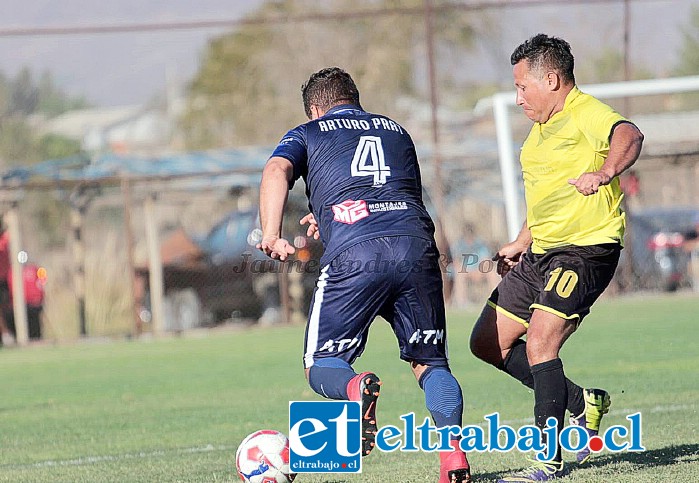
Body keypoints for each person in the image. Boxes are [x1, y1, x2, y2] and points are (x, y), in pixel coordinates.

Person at [258, 67, 471, 483]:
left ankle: (355, 391)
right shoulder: (396, 130)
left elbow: (275, 171)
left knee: (321, 362)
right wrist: (330, 216)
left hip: (356, 253)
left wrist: (270, 233)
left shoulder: (307, 132)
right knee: (430, 362)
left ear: (316, 108)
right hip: (417, 246)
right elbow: (388, 192)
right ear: (354, 97)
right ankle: (454, 459)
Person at [469, 34, 644, 482]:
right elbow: (546, 195)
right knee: (487, 343)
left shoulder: (585, 112)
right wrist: (521, 238)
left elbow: (629, 133)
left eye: (523, 86)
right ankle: (582, 402)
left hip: (586, 249)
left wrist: (605, 171)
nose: (518, 97)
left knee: (541, 343)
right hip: (541, 251)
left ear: (551, 79)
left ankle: (548, 458)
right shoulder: (540, 131)